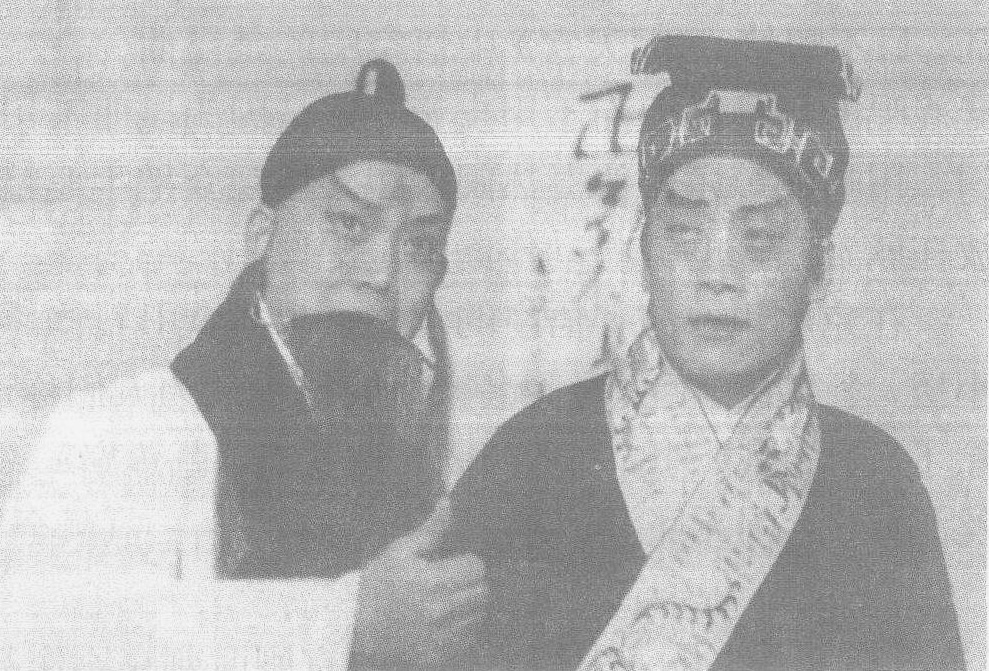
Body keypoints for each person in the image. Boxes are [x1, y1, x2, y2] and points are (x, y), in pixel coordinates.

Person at [445, 35, 964, 670]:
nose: (717, 274)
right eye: (684, 230)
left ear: (819, 263)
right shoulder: (532, 458)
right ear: (643, 247)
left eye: (762, 237)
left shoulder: (875, 485)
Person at [0, 59, 487, 670]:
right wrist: (343, 626)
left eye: (418, 245)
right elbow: (36, 642)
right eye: (348, 224)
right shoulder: (122, 430)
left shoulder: (424, 465)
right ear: (261, 233)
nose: (380, 275)